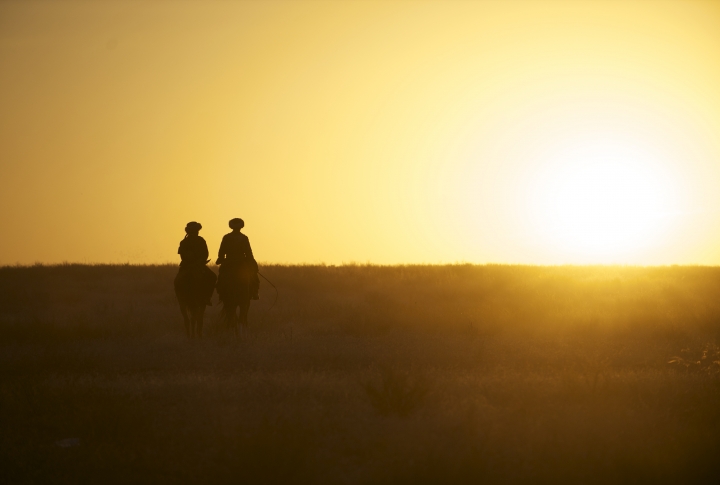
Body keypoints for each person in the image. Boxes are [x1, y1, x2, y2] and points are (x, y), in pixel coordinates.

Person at [216, 218, 260, 300]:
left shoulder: (226, 237)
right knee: (253, 276)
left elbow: (221, 251)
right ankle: (254, 292)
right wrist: (252, 263)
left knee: (221, 276)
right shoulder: (244, 238)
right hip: (241, 263)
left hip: (228, 262)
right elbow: (249, 253)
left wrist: (221, 259)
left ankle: (221, 293)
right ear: (241, 227)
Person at [176, 221, 216, 306]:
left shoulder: (192, 241)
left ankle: (207, 297)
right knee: (212, 277)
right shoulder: (186, 242)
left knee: (213, 277)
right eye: (196, 231)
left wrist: (199, 262)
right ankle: (207, 297)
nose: (197, 232)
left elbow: (205, 254)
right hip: (191, 266)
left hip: (194, 266)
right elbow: (205, 254)